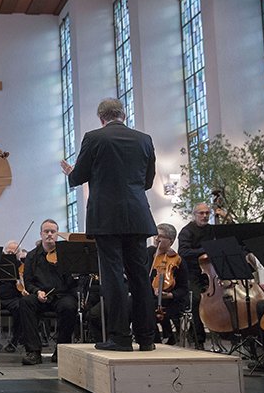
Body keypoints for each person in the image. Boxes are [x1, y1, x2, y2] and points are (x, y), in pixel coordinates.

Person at [61, 97, 157, 352]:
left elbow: (78, 177)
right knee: (140, 277)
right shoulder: (144, 139)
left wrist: (71, 172)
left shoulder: (94, 138)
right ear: (122, 115)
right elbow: (147, 181)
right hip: (137, 216)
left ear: (101, 118)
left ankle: (120, 338)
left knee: (113, 277)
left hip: (106, 218)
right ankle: (147, 338)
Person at [20, 219, 77, 365]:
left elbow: (72, 283)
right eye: (46, 231)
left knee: (69, 306)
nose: (50, 234)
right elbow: (28, 281)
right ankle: (34, 351)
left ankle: (61, 350)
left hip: (62, 296)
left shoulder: (66, 254)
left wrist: (73, 276)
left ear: (57, 234)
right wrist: (37, 291)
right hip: (41, 296)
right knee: (26, 302)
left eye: (53, 231)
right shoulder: (32, 256)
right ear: (41, 234)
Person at [177, 202, 214, 349]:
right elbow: (183, 252)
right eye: (201, 213)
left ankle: (229, 334)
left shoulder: (212, 230)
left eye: (207, 213)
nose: (205, 216)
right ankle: (199, 339)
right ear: (194, 215)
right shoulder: (186, 231)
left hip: (212, 273)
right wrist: (204, 250)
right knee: (197, 300)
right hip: (192, 273)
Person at [148, 223, 189, 345]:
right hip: (150, 297)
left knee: (148, 309)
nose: (156, 239)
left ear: (170, 241)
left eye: (160, 236)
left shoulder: (178, 260)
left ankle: (156, 341)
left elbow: (183, 288)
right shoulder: (149, 253)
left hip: (171, 301)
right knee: (136, 306)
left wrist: (170, 295)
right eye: (156, 235)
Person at [0, 240, 28, 353]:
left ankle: (14, 341)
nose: (10, 254)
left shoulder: (22, 267)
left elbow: (24, 285)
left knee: (21, 308)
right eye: (8, 252)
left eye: (14, 253)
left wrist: (20, 280)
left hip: (13, 298)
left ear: (19, 254)